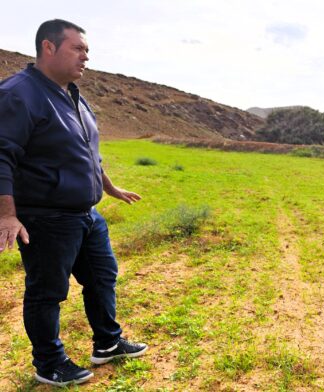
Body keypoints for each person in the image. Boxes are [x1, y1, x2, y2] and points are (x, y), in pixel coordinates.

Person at [0, 19, 148, 387]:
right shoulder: (18, 93)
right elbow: (1, 154)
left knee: (102, 277)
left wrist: (108, 187)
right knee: (47, 292)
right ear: (48, 48)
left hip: (86, 214)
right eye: (78, 48)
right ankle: (48, 363)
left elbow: (87, 153)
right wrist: (7, 214)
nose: (86, 56)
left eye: (87, 50)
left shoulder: (73, 95)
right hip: (45, 216)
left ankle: (108, 343)